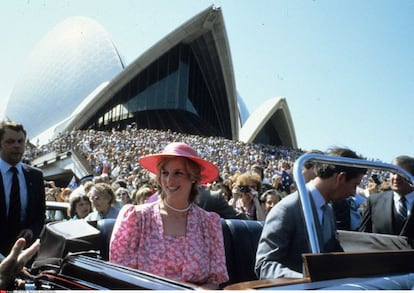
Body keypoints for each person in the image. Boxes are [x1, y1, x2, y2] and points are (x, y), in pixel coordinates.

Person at [109, 142, 228, 288]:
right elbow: (121, 277)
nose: (169, 181)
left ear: (193, 177)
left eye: (178, 173)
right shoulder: (136, 218)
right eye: (165, 173)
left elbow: (214, 281)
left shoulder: (209, 223)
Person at [255, 147, 366, 279]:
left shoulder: (328, 210)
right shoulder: (287, 209)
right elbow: (264, 266)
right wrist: (306, 280)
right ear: (340, 178)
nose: (354, 193)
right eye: (354, 185)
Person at [0, 121, 46, 256]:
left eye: (20, 141)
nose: (16, 146)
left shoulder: (35, 175)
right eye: (10, 141)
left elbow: (40, 215)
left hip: (25, 254)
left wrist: (31, 230)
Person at [359, 155, 414, 238]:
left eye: (401, 173)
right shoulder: (374, 201)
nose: (396, 177)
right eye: (393, 173)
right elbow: (363, 237)